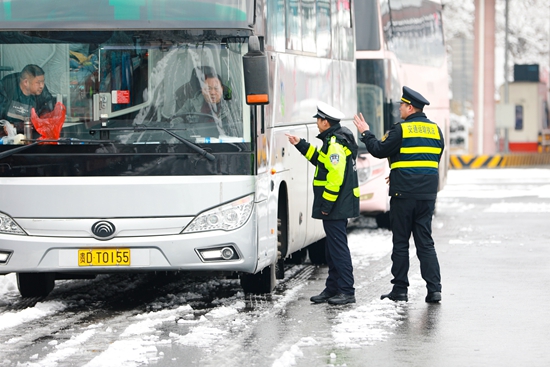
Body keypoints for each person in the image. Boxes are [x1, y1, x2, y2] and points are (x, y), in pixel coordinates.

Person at [353, 86, 444, 303]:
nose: (399, 110)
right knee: (425, 242)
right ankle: (434, 289)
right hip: (427, 195)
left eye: (402, 106)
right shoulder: (436, 130)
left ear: (410, 107)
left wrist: (366, 132)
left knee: (401, 242)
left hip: (404, 195)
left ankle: (400, 289)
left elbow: (379, 150)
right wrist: (400, 172)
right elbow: (430, 161)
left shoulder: (400, 130)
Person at [287, 102, 360, 305]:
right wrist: (300, 144)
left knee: (338, 248)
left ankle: (346, 290)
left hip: (336, 205)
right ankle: (333, 288)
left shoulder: (335, 143)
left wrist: (326, 205)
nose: (317, 124)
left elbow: (335, 177)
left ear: (325, 122)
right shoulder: (333, 140)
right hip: (337, 204)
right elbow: (321, 161)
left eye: (318, 120)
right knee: (332, 248)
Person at [173, 69, 241, 137]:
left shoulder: (231, 108)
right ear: (202, 90)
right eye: (209, 89)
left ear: (222, 89)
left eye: (216, 88)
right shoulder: (191, 105)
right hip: (194, 145)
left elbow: (238, 130)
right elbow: (175, 122)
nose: (212, 93)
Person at [0, 64, 55, 136]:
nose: (42, 86)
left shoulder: (43, 94)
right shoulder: (6, 88)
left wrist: (17, 126)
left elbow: (47, 120)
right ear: (26, 82)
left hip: (32, 138)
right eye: (38, 83)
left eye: (43, 82)